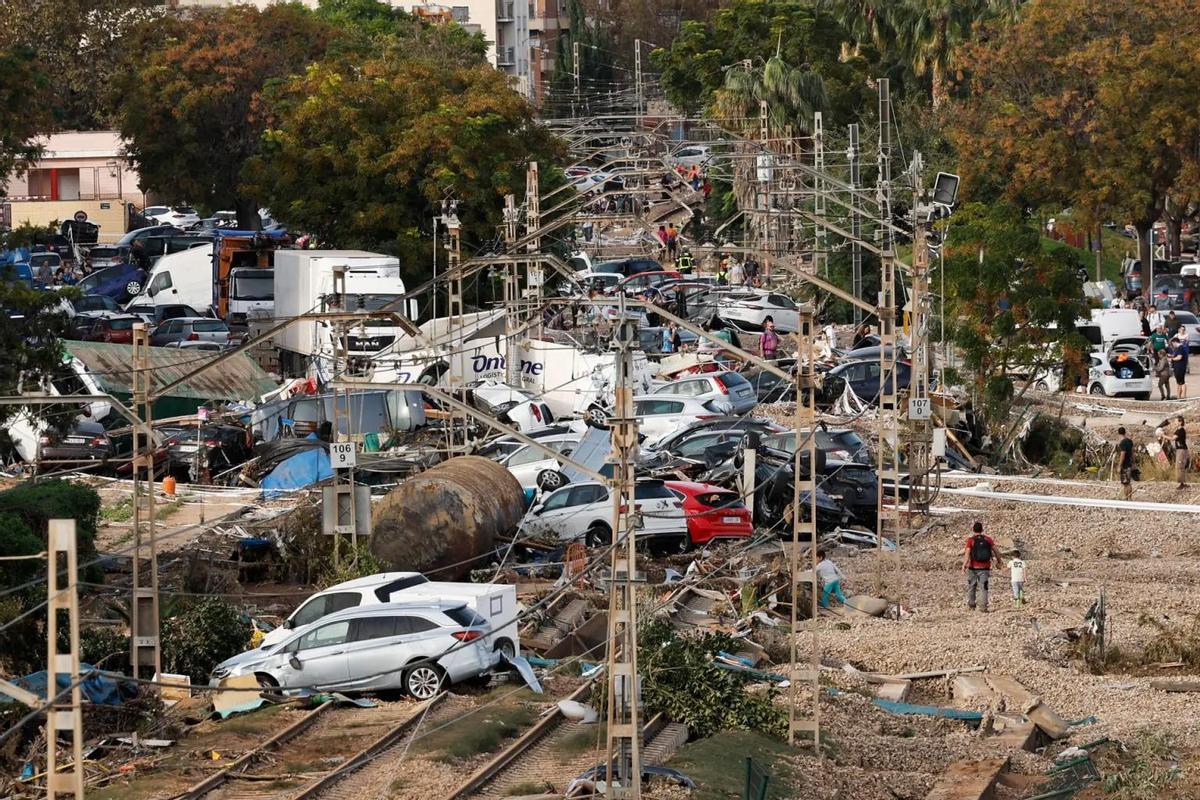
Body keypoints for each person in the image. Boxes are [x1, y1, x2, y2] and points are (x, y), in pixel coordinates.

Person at [962, 521, 1000, 612]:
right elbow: (996, 551)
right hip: (985, 567)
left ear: (973, 530)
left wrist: (964, 565)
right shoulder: (988, 539)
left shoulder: (970, 540)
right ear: (982, 530)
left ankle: (971, 605)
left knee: (972, 586)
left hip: (973, 568)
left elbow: (967, 554)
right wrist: (999, 561)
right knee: (984, 587)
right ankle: (983, 607)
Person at [1117, 426, 1135, 500]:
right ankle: (1129, 497)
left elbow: (1122, 455)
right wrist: (1133, 462)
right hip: (1130, 463)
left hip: (1125, 465)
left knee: (1125, 483)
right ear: (1125, 432)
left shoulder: (1122, 443)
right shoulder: (1130, 441)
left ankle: (1126, 497)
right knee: (1129, 482)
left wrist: (1119, 465)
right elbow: (1133, 452)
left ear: (1118, 433)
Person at [1174, 415, 1188, 489]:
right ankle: (1181, 483)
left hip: (1182, 450)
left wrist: (1163, 435)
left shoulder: (1181, 430)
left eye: (1176, 421)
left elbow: (1173, 438)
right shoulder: (1178, 430)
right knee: (1179, 466)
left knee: (1180, 466)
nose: (1175, 422)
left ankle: (1182, 484)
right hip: (1179, 450)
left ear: (1180, 422)